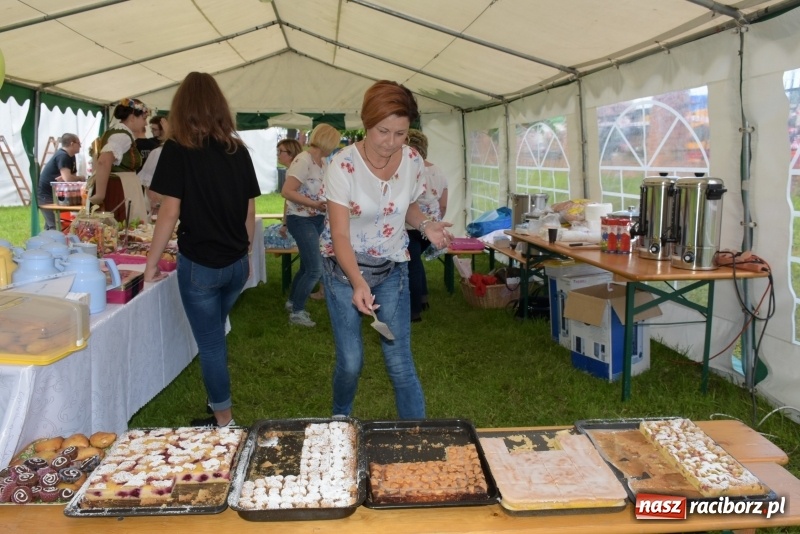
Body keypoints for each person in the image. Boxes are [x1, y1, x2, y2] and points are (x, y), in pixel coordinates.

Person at [320, 80, 452, 419]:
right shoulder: (342, 165)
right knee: (351, 362)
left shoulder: (411, 160)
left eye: (400, 133)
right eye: (383, 132)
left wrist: (425, 225)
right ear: (366, 122)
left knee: (400, 362)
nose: (391, 143)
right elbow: (340, 234)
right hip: (343, 272)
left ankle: (417, 438)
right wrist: (358, 283)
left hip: (392, 268)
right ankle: (339, 419)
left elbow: (405, 206)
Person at [143, 72, 261, 428]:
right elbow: (250, 211)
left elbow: (169, 211)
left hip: (201, 267)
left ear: (181, 108)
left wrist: (150, 266)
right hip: (235, 263)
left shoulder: (177, 150)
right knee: (214, 336)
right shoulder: (237, 150)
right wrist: (247, 255)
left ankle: (224, 420)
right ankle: (217, 403)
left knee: (210, 344)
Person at [282, 123, 340, 326]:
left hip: (315, 218)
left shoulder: (322, 161)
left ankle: (292, 302)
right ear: (327, 141)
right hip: (300, 218)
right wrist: (315, 203)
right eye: (334, 142)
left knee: (308, 265)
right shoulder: (303, 160)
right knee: (315, 268)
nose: (335, 146)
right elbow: (288, 191)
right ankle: (297, 312)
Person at [404, 129, 448, 322]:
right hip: (431, 228)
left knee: (412, 266)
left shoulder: (408, 170)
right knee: (416, 262)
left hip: (411, 226)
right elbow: (444, 203)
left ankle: (414, 312)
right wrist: (436, 222)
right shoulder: (437, 170)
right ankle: (422, 299)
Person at [87, 97, 149, 222]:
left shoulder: (115, 132)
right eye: (144, 118)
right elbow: (103, 161)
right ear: (132, 117)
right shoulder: (122, 136)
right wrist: (100, 194)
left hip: (120, 186)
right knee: (123, 229)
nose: (146, 123)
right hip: (121, 189)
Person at [37, 133, 83, 230]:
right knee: (54, 226)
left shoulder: (71, 156)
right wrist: (80, 178)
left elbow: (70, 177)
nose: (80, 146)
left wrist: (69, 177)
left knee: (50, 225)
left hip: (55, 195)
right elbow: (68, 179)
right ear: (72, 143)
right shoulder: (63, 156)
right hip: (46, 195)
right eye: (79, 143)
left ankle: (46, 242)